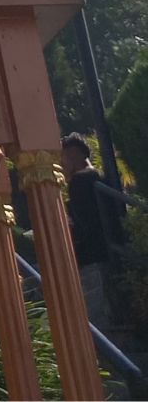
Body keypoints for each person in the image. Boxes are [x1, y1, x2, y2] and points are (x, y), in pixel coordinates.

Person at [60, 132, 123, 327]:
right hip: (109, 251)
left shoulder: (79, 182)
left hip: (91, 257)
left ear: (73, 155)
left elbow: (83, 222)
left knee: (96, 319)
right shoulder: (98, 178)